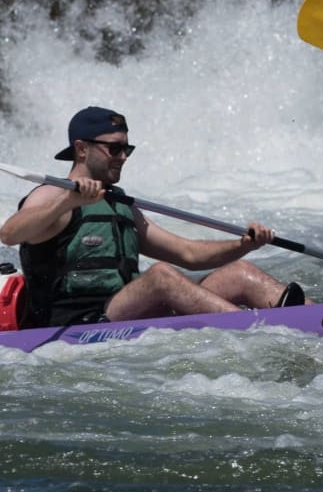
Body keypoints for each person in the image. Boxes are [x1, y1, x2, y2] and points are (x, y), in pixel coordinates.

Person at [0, 106, 307, 328]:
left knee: (239, 272)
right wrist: (67, 201)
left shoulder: (119, 204)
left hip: (126, 312)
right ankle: (261, 334)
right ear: (81, 149)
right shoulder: (51, 195)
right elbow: (10, 233)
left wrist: (243, 245)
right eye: (115, 148)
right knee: (160, 277)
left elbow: (188, 254)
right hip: (76, 323)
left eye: (126, 149)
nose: (123, 156)